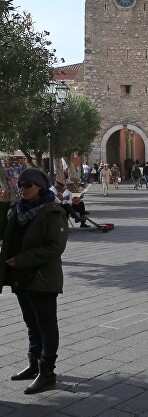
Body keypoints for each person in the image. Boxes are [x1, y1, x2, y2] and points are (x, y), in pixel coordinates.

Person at [0, 167, 69, 394]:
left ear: (39, 186)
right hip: (20, 278)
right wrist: (2, 205)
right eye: (20, 186)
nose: (23, 190)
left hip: (41, 277)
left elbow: (54, 248)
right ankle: (33, 365)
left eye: (27, 185)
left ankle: (47, 372)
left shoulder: (53, 212)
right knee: (31, 323)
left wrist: (21, 260)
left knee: (46, 326)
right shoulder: (16, 210)